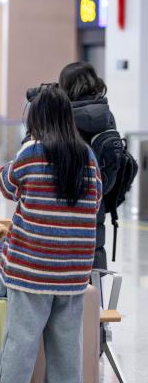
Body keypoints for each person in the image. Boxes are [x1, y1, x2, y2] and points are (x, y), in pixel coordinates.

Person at [0, 85, 101, 383]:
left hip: (32, 267)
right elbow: (95, 201)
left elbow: (6, 184)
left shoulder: (32, 153)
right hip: (73, 270)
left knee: (20, 341)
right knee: (66, 344)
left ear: (36, 119)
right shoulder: (87, 156)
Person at [59, 62, 117, 269]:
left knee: (66, 278)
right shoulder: (107, 117)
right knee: (93, 270)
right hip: (95, 207)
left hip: (63, 208)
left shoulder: (62, 118)